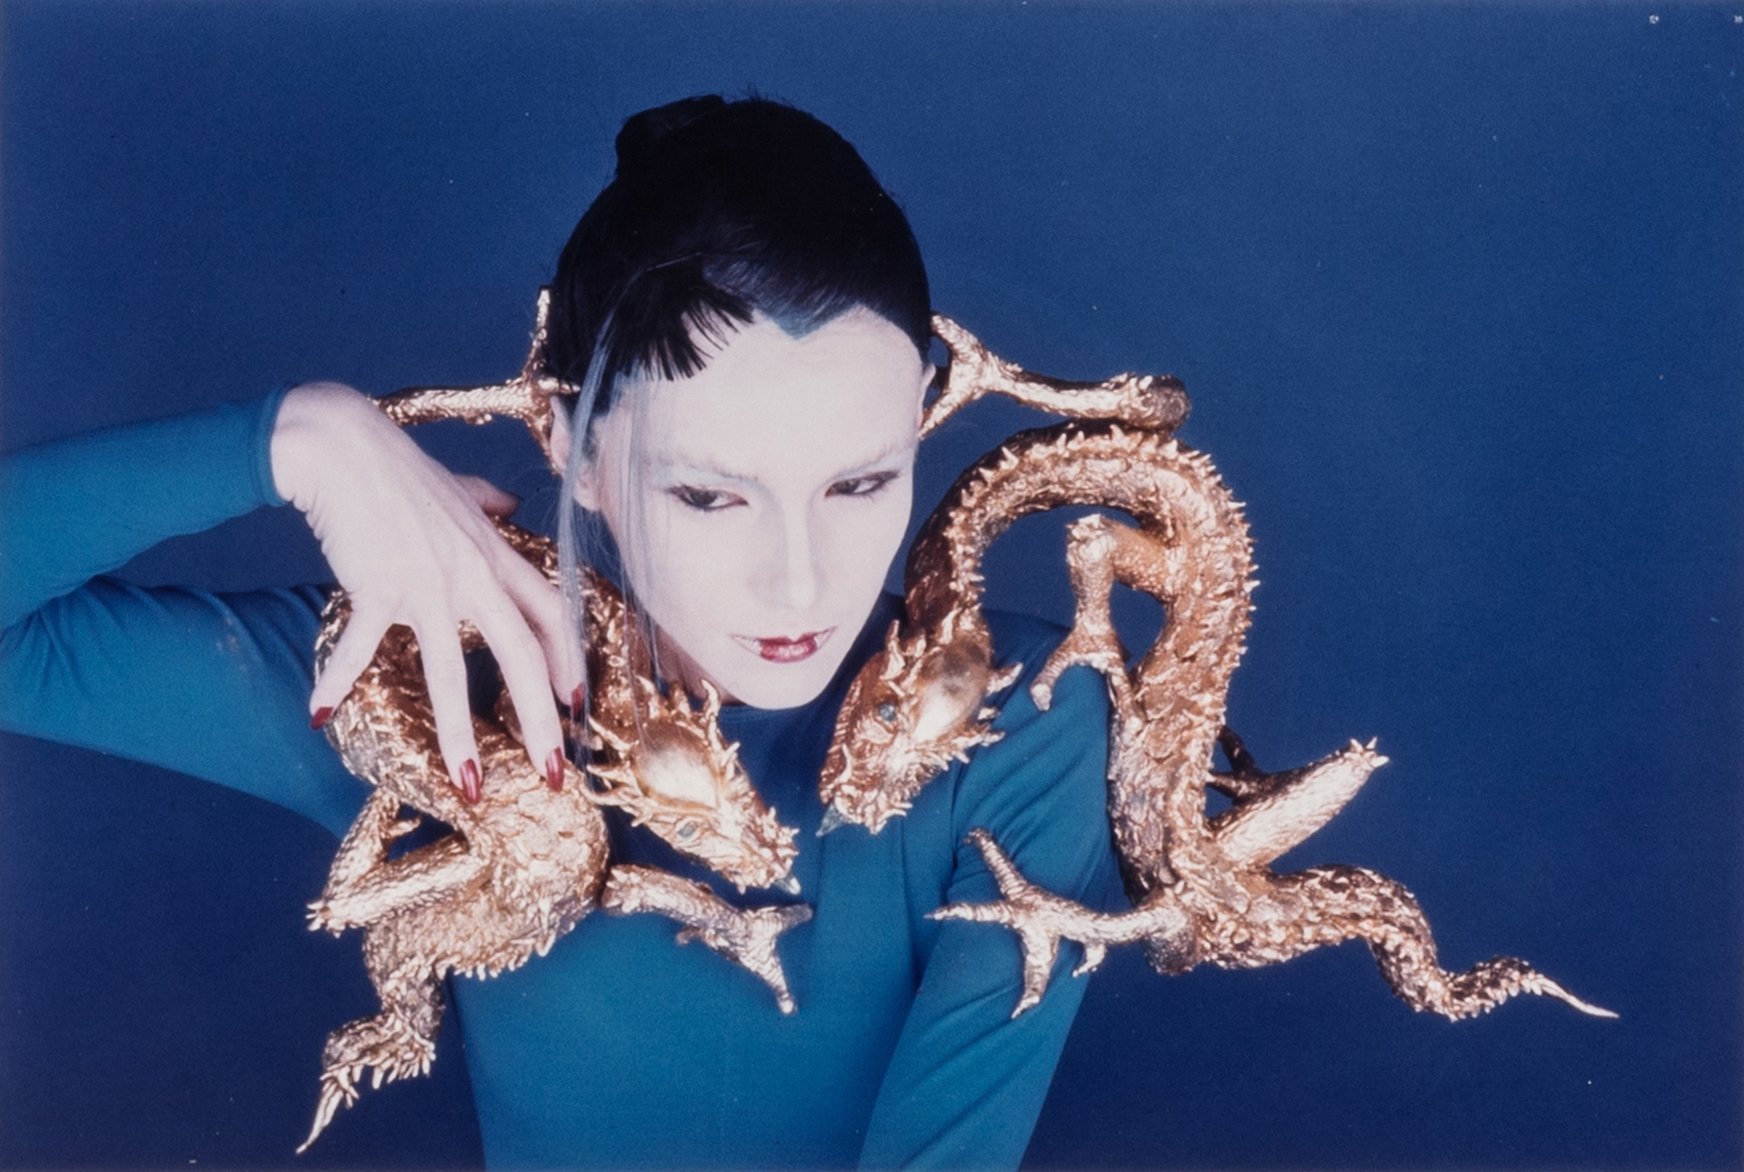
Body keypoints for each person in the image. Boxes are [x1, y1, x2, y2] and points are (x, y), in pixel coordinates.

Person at [0, 95, 1119, 1168]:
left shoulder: (1018, 715)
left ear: (923, 414)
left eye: (860, 482)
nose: (798, 583)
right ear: (567, 440)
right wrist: (294, 438)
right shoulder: (440, 688)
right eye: (709, 495)